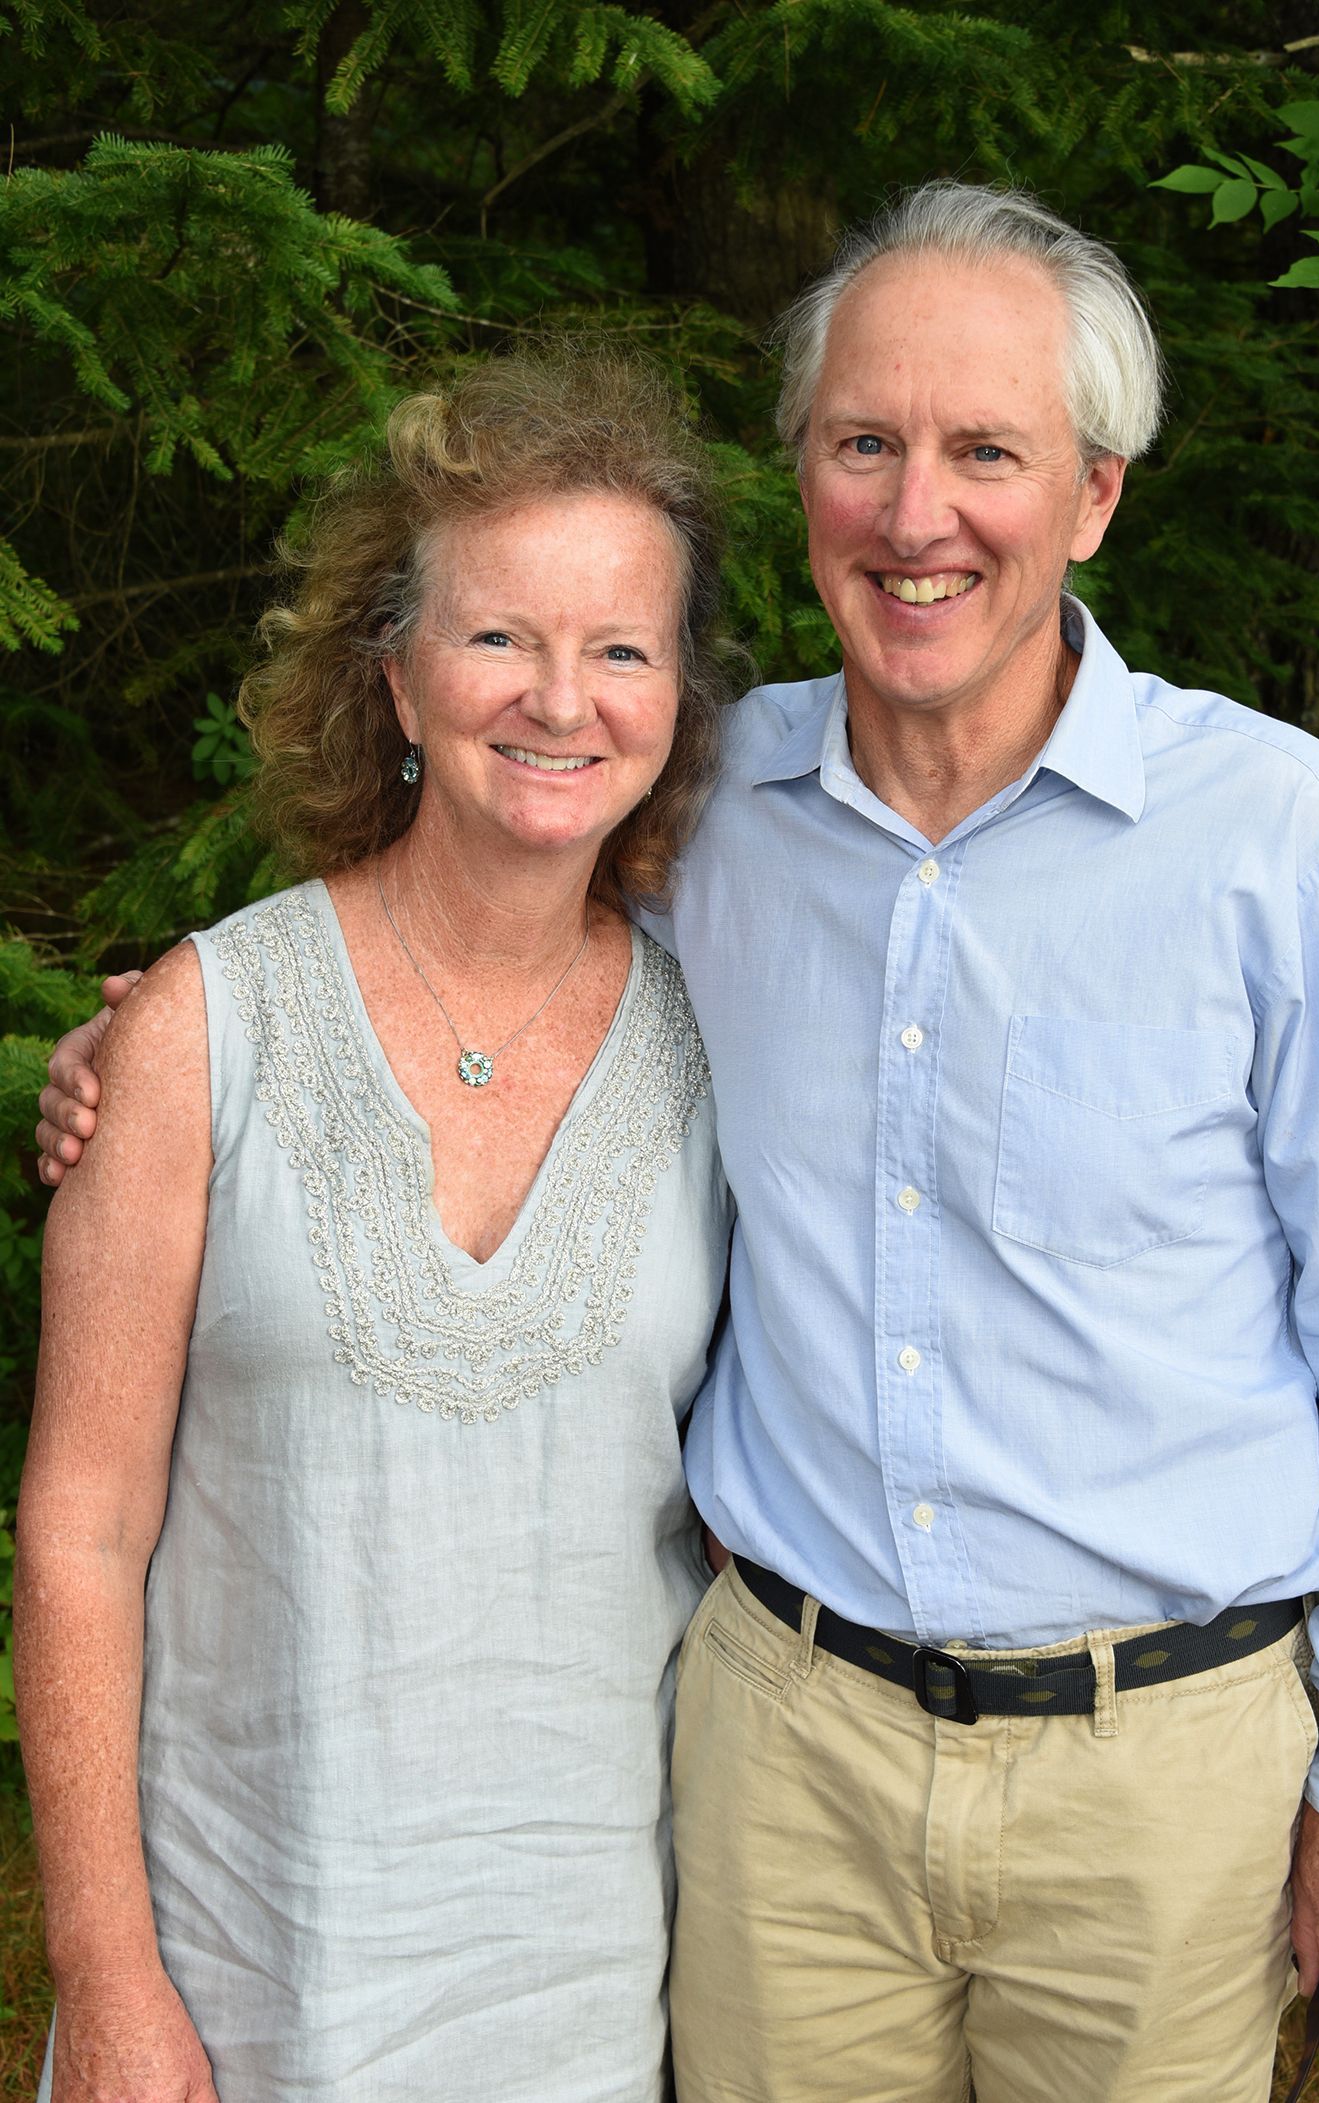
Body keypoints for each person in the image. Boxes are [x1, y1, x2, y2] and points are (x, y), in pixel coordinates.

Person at [36, 183, 1319, 2103]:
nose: (918, 514)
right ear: (804, 476)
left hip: (1156, 1762)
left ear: (1096, 495)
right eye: (864, 445)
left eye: (988, 451)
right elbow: (455, 926)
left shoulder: (1269, 834)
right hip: (781, 1763)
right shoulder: (713, 823)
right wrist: (150, 1056)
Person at [15, 348, 734, 2103]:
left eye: (621, 649)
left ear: (675, 705)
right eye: (500, 638)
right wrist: (106, 1981)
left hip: (594, 1976)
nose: (561, 700)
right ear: (397, 679)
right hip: (256, 1965)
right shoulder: (203, 1026)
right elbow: (80, 1530)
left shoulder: (729, 1038)